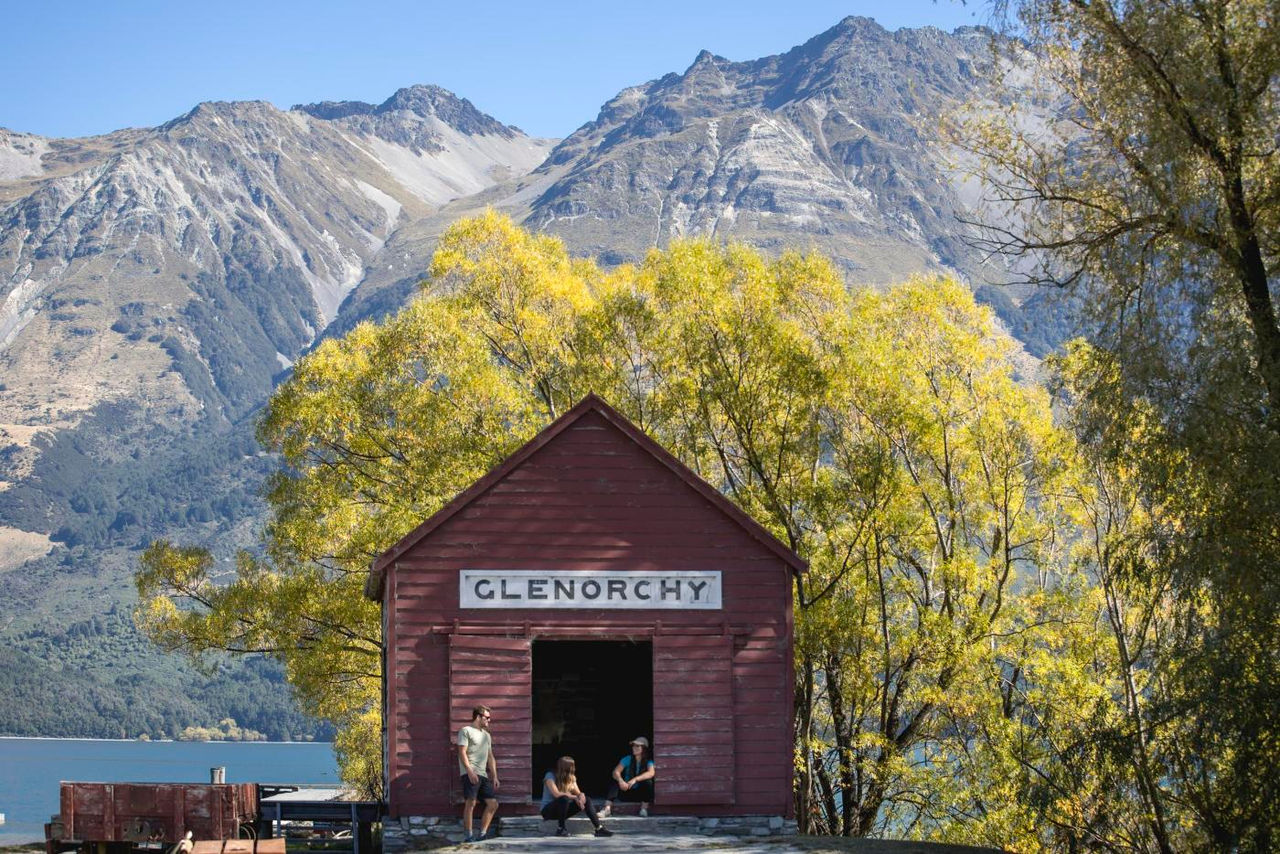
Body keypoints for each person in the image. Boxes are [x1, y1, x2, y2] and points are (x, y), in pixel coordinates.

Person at [457, 704, 500, 843]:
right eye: (487, 717)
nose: (489, 720)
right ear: (478, 717)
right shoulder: (465, 731)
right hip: (470, 772)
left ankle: (482, 834)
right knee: (471, 803)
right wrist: (469, 771)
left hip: (483, 775)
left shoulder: (486, 735)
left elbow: (490, 757)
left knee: (493, 804)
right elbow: (462, 752)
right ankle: (468, 836)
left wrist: (494, 776)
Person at [541, 756, 612, 837]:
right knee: (564, 799)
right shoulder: (550, 776)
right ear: (566, 767)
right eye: (572, 766)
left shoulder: (571, 778)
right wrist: (575, 797)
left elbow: (578, 793)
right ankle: (561, 829)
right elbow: (556, 794)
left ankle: (599, 828)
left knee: (587, 799)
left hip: (563, 811)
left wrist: (581, 796)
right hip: (548, 812)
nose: (574, 768)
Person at [600, 736, 655, 817]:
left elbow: (651, 773)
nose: (634, 748)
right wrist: (621, 781)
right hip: (627, 791)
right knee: (615, 781)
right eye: (633, 746)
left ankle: (644, 809)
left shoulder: (648, 761)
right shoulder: (628, 758)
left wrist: (635, 779)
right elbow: (616, 772)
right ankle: (607, 809)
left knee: (648, 782)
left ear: (644, 748)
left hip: (640, 795)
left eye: (637, 746)